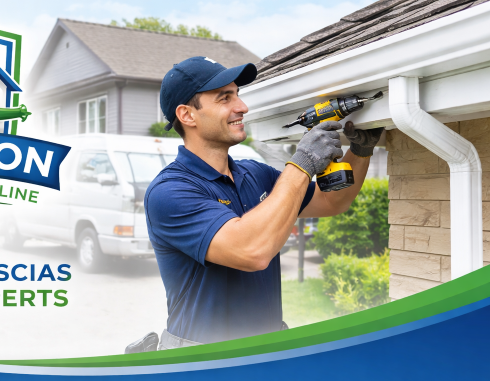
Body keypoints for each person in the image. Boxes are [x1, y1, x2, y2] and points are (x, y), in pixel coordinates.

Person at [145, 56, 383, 349]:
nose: (242, 107)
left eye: (238, 95)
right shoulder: (170, 192)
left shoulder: (255, 174)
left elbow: (330, 201)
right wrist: (302, 163)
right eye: (225, 98)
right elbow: (252, 251)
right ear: (187, 115)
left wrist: (360, 150)